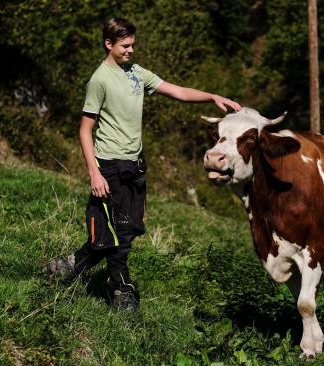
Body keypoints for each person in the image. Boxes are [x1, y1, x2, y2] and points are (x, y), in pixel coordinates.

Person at [45, 17, 241, 310]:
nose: (130, 51)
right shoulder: (99, 80)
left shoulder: (137, 73)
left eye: (133, 45)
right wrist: (94, 172)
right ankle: (122, 291)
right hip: (109, 166)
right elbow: (85, 130)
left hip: (134, 166)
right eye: (125, 46)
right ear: (108, 44)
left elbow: (178, 91)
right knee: (119, 235)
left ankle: (69, 266)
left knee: (128, 228)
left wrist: (211, 96)